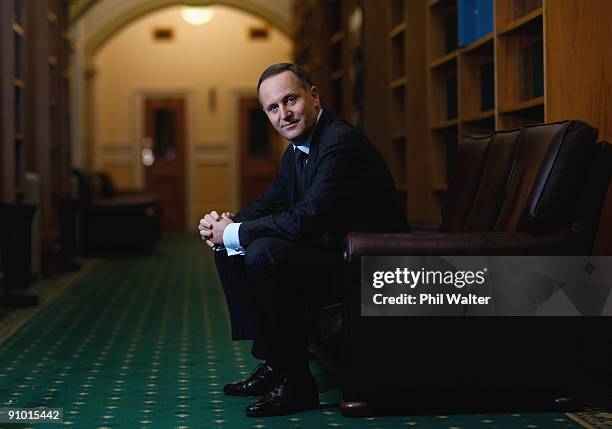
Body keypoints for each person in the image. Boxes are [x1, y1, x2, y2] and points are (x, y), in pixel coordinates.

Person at [198, 63, 408, 417]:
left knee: (264, 253)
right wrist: (229, 223)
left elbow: (308, 218)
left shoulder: (340, 143)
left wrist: (236, 232)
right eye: (273, 108)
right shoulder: (298, 149)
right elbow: (274, 202)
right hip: (335, 252)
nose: (284, 114)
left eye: (290, 100)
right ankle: (277, 363)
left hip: (372, 264)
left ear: (313, 96)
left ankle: (297, 386)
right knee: (230, 249)